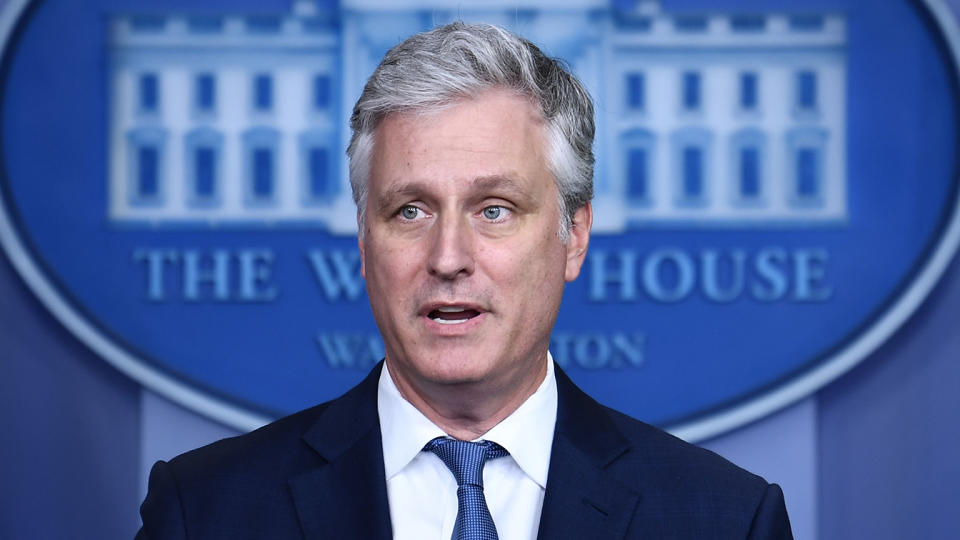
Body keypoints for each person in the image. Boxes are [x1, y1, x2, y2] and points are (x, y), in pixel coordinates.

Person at [136, 22, 793, 539]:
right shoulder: (206, 509)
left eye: (494, 210)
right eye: (410, 210)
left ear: (575, 237)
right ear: (365, 241)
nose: (448, 256)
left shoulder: (725, 520)